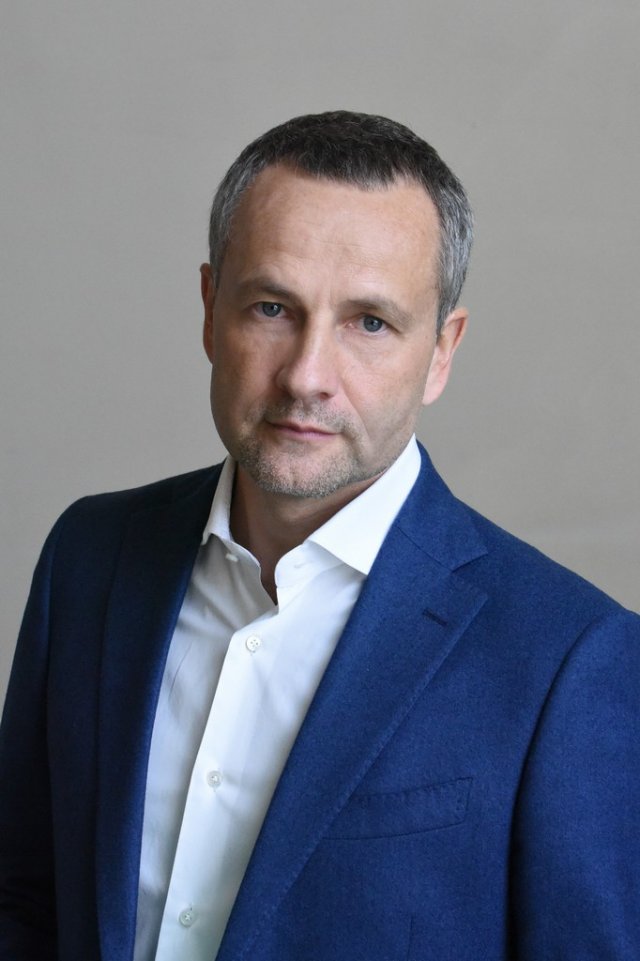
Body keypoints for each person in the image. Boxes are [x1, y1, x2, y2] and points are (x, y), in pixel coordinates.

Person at [0, 111, 638, 961]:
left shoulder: (570, 658)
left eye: (369, 322)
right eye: (272, 307)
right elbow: (24, 900)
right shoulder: (90, 558)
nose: (306, 376)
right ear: (209, 310)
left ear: (441, 351)